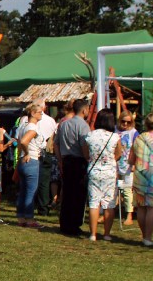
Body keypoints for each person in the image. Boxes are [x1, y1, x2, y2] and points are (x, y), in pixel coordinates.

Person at [83, 108, 122, 242]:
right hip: (109, 172)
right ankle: (106, 233)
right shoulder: (115, 137)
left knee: (94, 203)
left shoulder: (90, 136)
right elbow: (119, 154)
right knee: (108, 204)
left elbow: (86, 154)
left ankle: (93, 234)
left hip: (94, 171)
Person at [55, 98, 91, 236]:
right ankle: (74, 224)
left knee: (67, 193)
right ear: (84, 110)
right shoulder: (83, 126)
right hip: (78, 161)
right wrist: (88, 158)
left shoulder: (64, 124)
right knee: (78, 194)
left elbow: (56, 143)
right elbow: (84, 145)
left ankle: (65, 223)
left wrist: (60, 159)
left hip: (66, 160)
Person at [14, 103, 46, 228]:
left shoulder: (23, 126)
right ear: (32, 113)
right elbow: (23, 141)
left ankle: (21, 217)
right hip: (31, 159)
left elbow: (18, 141)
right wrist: (27, 152)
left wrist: (22, 153)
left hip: (23, 160)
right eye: (39, 112)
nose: (41, 114)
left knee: (23, 190)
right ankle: (29, 218)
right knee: (31, 191)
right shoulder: (32, 127)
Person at [129, 112, 153, 246]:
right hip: (152, 176)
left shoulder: (138, 138)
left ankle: (144, 236)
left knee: (141, 207)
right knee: (151, 208)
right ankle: (148, 238)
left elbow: (130, 160)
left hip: (139, 175)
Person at [116, 112, 139, 225]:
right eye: (123, 121)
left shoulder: (133, 133)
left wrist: (134, 164)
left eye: (128, 122)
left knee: (127, 190)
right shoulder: (115, 130)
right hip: (115, 164)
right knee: (113, 190)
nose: (125, 123)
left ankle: (129, 214)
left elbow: (136, 148)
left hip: (127, 165)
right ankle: (105, 213)